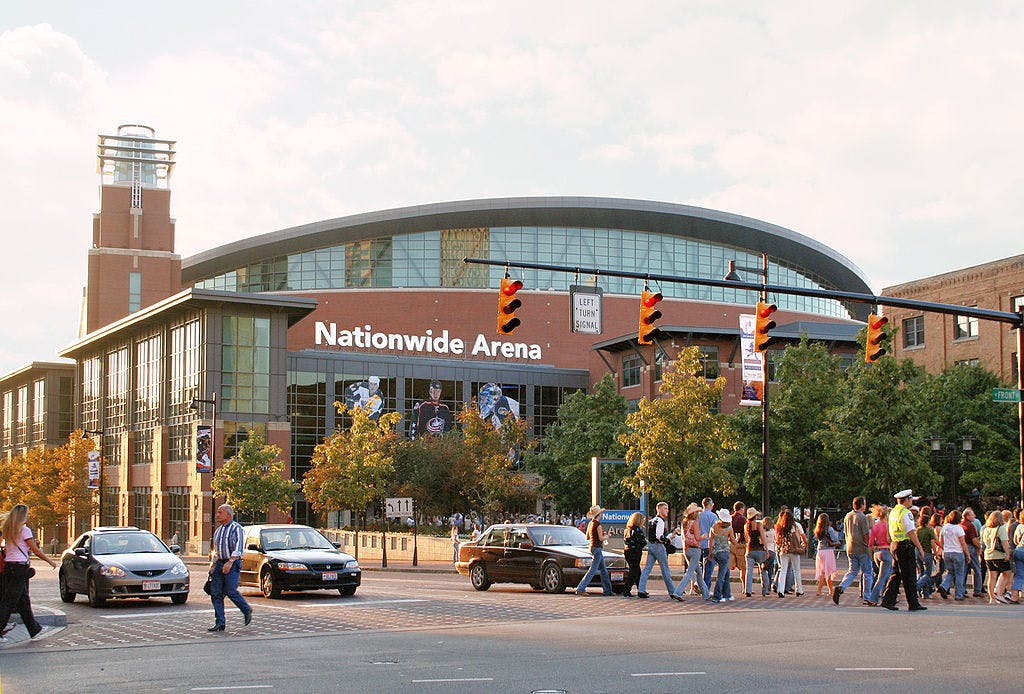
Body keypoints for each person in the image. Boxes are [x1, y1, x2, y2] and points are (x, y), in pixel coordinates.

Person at [0, 504, 58, 642]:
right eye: (27, 514)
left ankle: (34, 629)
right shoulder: (24, 530)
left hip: (10, 566)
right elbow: (35, 550)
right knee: (9, 601)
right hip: (20, 568)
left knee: (23, 601)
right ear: (23, 516)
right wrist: (50, 561)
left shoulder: (7, 528)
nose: (28, 516)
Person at [880, 489, 927, 611]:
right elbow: (911, 532)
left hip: (895, 545)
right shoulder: (906, 513)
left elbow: (889, 530)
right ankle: (913, 603)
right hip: (905, 546)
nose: (911, 501)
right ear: (906, 500)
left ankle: (888, 600)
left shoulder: (894, 512)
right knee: (909, 575)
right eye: (910, 499)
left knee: (896, 574)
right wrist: (920, 548)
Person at [207, 504, 252, 632]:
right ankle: (220, 622)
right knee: (216, 593)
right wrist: (213, 565)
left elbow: (239, 548)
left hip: (232, 563)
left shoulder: (236, 529)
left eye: (220, 512)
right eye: (217, 512)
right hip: (220, 563)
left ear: (228, 514)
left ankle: (246, 609)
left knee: (230, 590)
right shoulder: (218, 531)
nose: (217, 515)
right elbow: (216, 550)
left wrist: (230, 562)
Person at [833, 496, 874, 606]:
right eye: (864, 504)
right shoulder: (862, 517)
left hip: (851, 548)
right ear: (862, 505)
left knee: (852, 571)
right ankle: (867, 597)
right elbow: (866, 534)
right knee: (867, 572)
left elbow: (845, 532)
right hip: (862, 548)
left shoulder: (848, 516)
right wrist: (870, 545)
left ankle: (841, 587)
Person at [671, 503, 710, 602]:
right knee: (690, 572)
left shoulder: (684, 522)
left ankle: (706, 594)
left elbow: (684, 537)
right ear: (695, 514)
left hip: (687, 549)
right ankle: (678, 592)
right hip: (695, 549)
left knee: (699, 573)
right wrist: (704, 537)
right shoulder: (695, 523)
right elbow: (697, 537)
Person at [637, 501, 677, 599]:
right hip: (658, 546)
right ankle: (672, 591)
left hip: (651, 546)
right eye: (665, 508)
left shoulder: (652, 520)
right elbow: (659, 536)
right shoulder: (660, 521)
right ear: (659, 509)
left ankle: (641, 589)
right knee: (665, 569)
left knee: (647, 568)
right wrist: (668, 540)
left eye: (667, 509)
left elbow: (653, 535)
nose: (667, 511)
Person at [575, 505, 613, 596]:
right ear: (598, 514)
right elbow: (601, 538)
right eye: (601, 513)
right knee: (593, 570)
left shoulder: (591, 523)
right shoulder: (598, 524)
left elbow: (588, 537)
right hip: (597, 548)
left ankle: (608, 590)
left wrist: (598, 534)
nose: (602, 515)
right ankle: (580, 588)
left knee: (603, 570)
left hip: (592, 547)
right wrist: (607, 536)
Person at [981, 510, 1014, 604]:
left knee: (992, 576)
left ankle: (992, 598)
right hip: (999, 555)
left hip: (988, 555)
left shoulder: (986, 529)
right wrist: (1007, 554)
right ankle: (999, 593)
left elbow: (984, 542)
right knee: (1007, 573)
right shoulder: (1001, 528)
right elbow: (1004, 542)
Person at [864, 504, 892, 606]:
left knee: (885, 576)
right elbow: (889, 540)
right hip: (887, 551)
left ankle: (886, 596)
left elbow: (870, 544)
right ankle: (873, 598)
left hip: (877, 552)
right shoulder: (888, 526)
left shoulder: (875, 526)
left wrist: (871, 556)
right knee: (883, 577)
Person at [774, 509, 804, 598]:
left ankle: (781, 590)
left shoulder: (780, 526)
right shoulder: (796, 525)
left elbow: (777, 540)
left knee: (783, 570)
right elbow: (803, 537)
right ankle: (799, 590)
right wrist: (803, 544)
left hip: (784, 550)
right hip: (794, 550)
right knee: (796, 570)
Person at [915, 508, 940, 600]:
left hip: (917, 552)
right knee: (928, 573)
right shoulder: (929, 530)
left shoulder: (918, 530)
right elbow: (934, 542)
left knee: (921, 572)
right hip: (926, 552)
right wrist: (936, 553)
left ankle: (924, 592)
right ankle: (917, 586)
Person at [620, 512, 647, 597]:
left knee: (637, 571)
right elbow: (642, 542)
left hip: (627, 551)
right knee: (633, 572)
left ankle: (641, 589)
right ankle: (626, 590)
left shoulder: (627, 529)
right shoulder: (637, 530)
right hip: (635, 552)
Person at [744, 507, 768, 597]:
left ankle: (748, 590)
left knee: (749, 571)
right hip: (760, 549)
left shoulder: (746, 525)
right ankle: (764, 590)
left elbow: (747, 539)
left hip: (750, 549)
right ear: (756, 515)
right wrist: (766, 549)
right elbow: (763, 537)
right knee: (763, 570)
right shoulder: (759, 524)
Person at [813, 513, 839, 597]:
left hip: (820, 551)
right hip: (828, 551)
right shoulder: (829, 529)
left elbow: (815, 539)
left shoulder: (818, 529)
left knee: (823, 571)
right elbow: (835, 539)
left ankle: (824, 590)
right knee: (828, 571)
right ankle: (826, 590)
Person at [962, 507, 984, 597]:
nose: (974, 516)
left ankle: (961, 590)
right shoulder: (970, 525)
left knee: (963, 570)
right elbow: (974, 539)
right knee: (977, 569)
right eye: (972, 514)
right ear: (967, 516)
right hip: (970, 547)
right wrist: (979, 547)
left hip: (962, 547)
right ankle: (977, 590)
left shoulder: (961, 524)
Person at [698, 498, 718, 594]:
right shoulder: (713, 516)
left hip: (698, 544)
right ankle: (705, 589)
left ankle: (697, 584)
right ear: (710, 505)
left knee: (699, 568)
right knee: (708, 569)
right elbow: (716, 531)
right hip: (709, 544)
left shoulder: (698, 516)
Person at [730, 501, 747, 592]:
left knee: (730, 566)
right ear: (741, 509)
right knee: (743, 567)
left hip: (731, 543)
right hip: (741, 544)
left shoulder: (730, 518)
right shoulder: (743, 519)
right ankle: (744, 587)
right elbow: (745, 532)